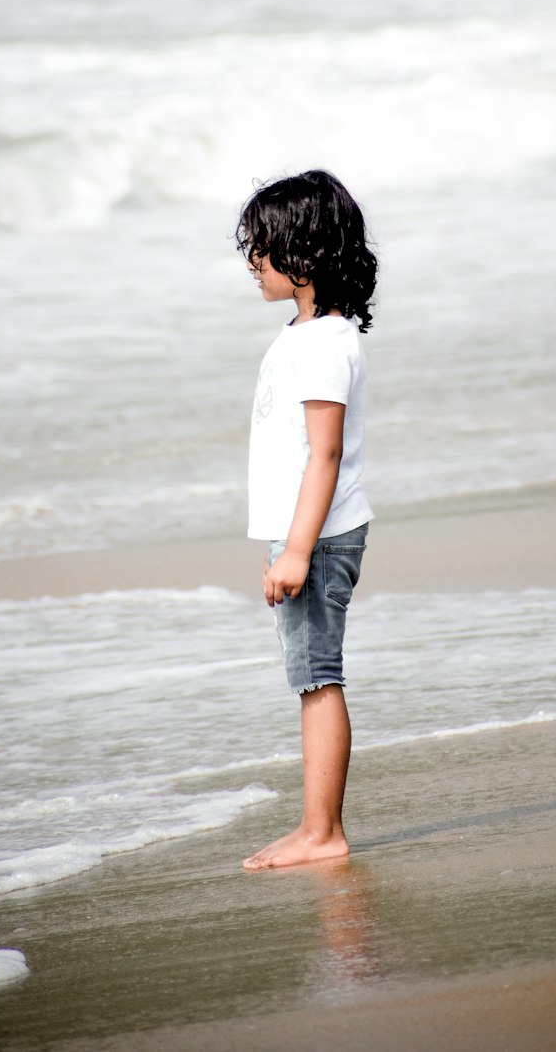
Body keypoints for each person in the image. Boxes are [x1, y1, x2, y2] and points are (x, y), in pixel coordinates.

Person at [236, 168, 378, 871]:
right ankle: (316, 826)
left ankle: (322, 831)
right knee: (311, 676)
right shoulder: (305, 333)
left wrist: (295, 550)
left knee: (318, 676)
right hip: (305, 534)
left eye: (262, 246)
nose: (252, 261)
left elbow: (324, 453)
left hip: (316, 537)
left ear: (302, 251)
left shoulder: (323, 340)